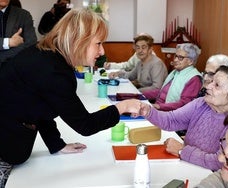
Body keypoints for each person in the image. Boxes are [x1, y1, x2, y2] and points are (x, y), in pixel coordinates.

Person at [0, 8, 141, 187]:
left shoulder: (47, 57)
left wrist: (57, 144)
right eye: (98, 44)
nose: (102, 51)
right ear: (78, 40)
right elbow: (85, 124)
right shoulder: (53, 70)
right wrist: (123, 107)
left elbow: (38, 103)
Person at [139, 65, 228, 171]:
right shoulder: (201, 103)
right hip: (187, 165)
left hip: (209, 175)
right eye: (211, 81)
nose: (208, 86)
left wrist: (182, 151)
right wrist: (148, 111)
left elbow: (219, 161)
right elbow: (171, 120)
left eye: (217, 85)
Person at [142, 43, 202, 111]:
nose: (175, 60)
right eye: (175, 56)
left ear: (190, 61)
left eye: (180, 58)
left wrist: (158, 106)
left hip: (171, 115)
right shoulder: (176, 72)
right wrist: (141, 94)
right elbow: (162, 92)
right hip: (158, 109)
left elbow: (185, 104)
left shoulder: (194, 78)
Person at [0, 0, 37, 64]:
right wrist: (9, 42)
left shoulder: (24, 15)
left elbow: (31, 43)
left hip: (14, 66)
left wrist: (3, 56)